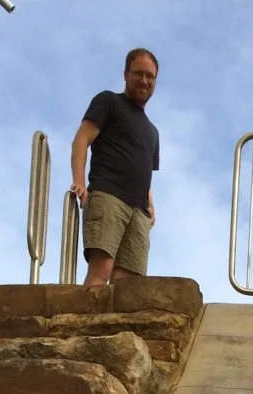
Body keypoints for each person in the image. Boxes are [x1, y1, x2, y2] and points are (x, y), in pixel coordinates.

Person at [70, 47, 160, 287]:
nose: (144, 80)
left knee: (129, 286)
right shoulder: (109, 101)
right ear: (126, 74)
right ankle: (84, 325)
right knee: (101, 270)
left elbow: (145, 172)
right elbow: (82, 138)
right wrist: (78, 180)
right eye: (138, 73)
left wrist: (150, 204)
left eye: (150, 76)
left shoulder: (152, 131)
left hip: (139, 211)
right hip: (108, 196)